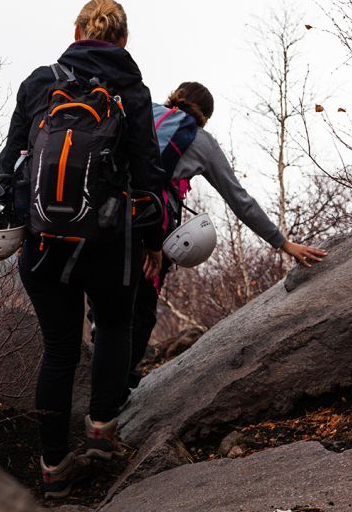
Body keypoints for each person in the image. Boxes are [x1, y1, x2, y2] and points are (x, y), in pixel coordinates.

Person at [0, 0, 165, 498]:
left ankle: (52, 470)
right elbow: (148, 170)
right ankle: (100, 433)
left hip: (45, 243)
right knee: (113, 326)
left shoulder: (38, 82)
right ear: (124, 41)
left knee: (59, 349)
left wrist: (19, 219)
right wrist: (153, 240)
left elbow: (11, 160)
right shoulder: (131, 89)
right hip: (111, 242)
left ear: (75, 31)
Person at [126, 81, 328, 390]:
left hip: (105, 218)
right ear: (205, 116)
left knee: (108, 307)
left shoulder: (143, 111)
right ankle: (115, 398)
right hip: (147, 231)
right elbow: (239, 199)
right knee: (140, 313)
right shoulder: (202, 141)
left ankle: (94, 380)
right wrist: (282, 242)